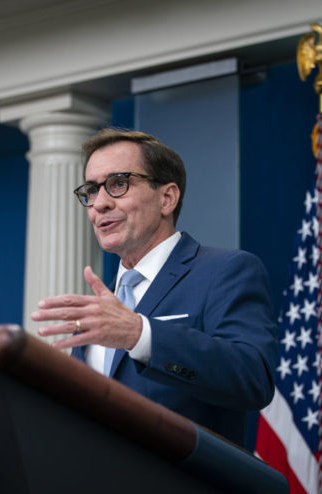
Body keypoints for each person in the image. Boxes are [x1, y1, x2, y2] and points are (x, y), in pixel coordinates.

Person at [30, 128, 277, 446]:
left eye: (118, 184)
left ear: (167, 198)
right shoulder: (100, 309)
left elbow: (252, 379)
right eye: (91, 191)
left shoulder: (225, 272)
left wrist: (140, 334)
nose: (99, 204)